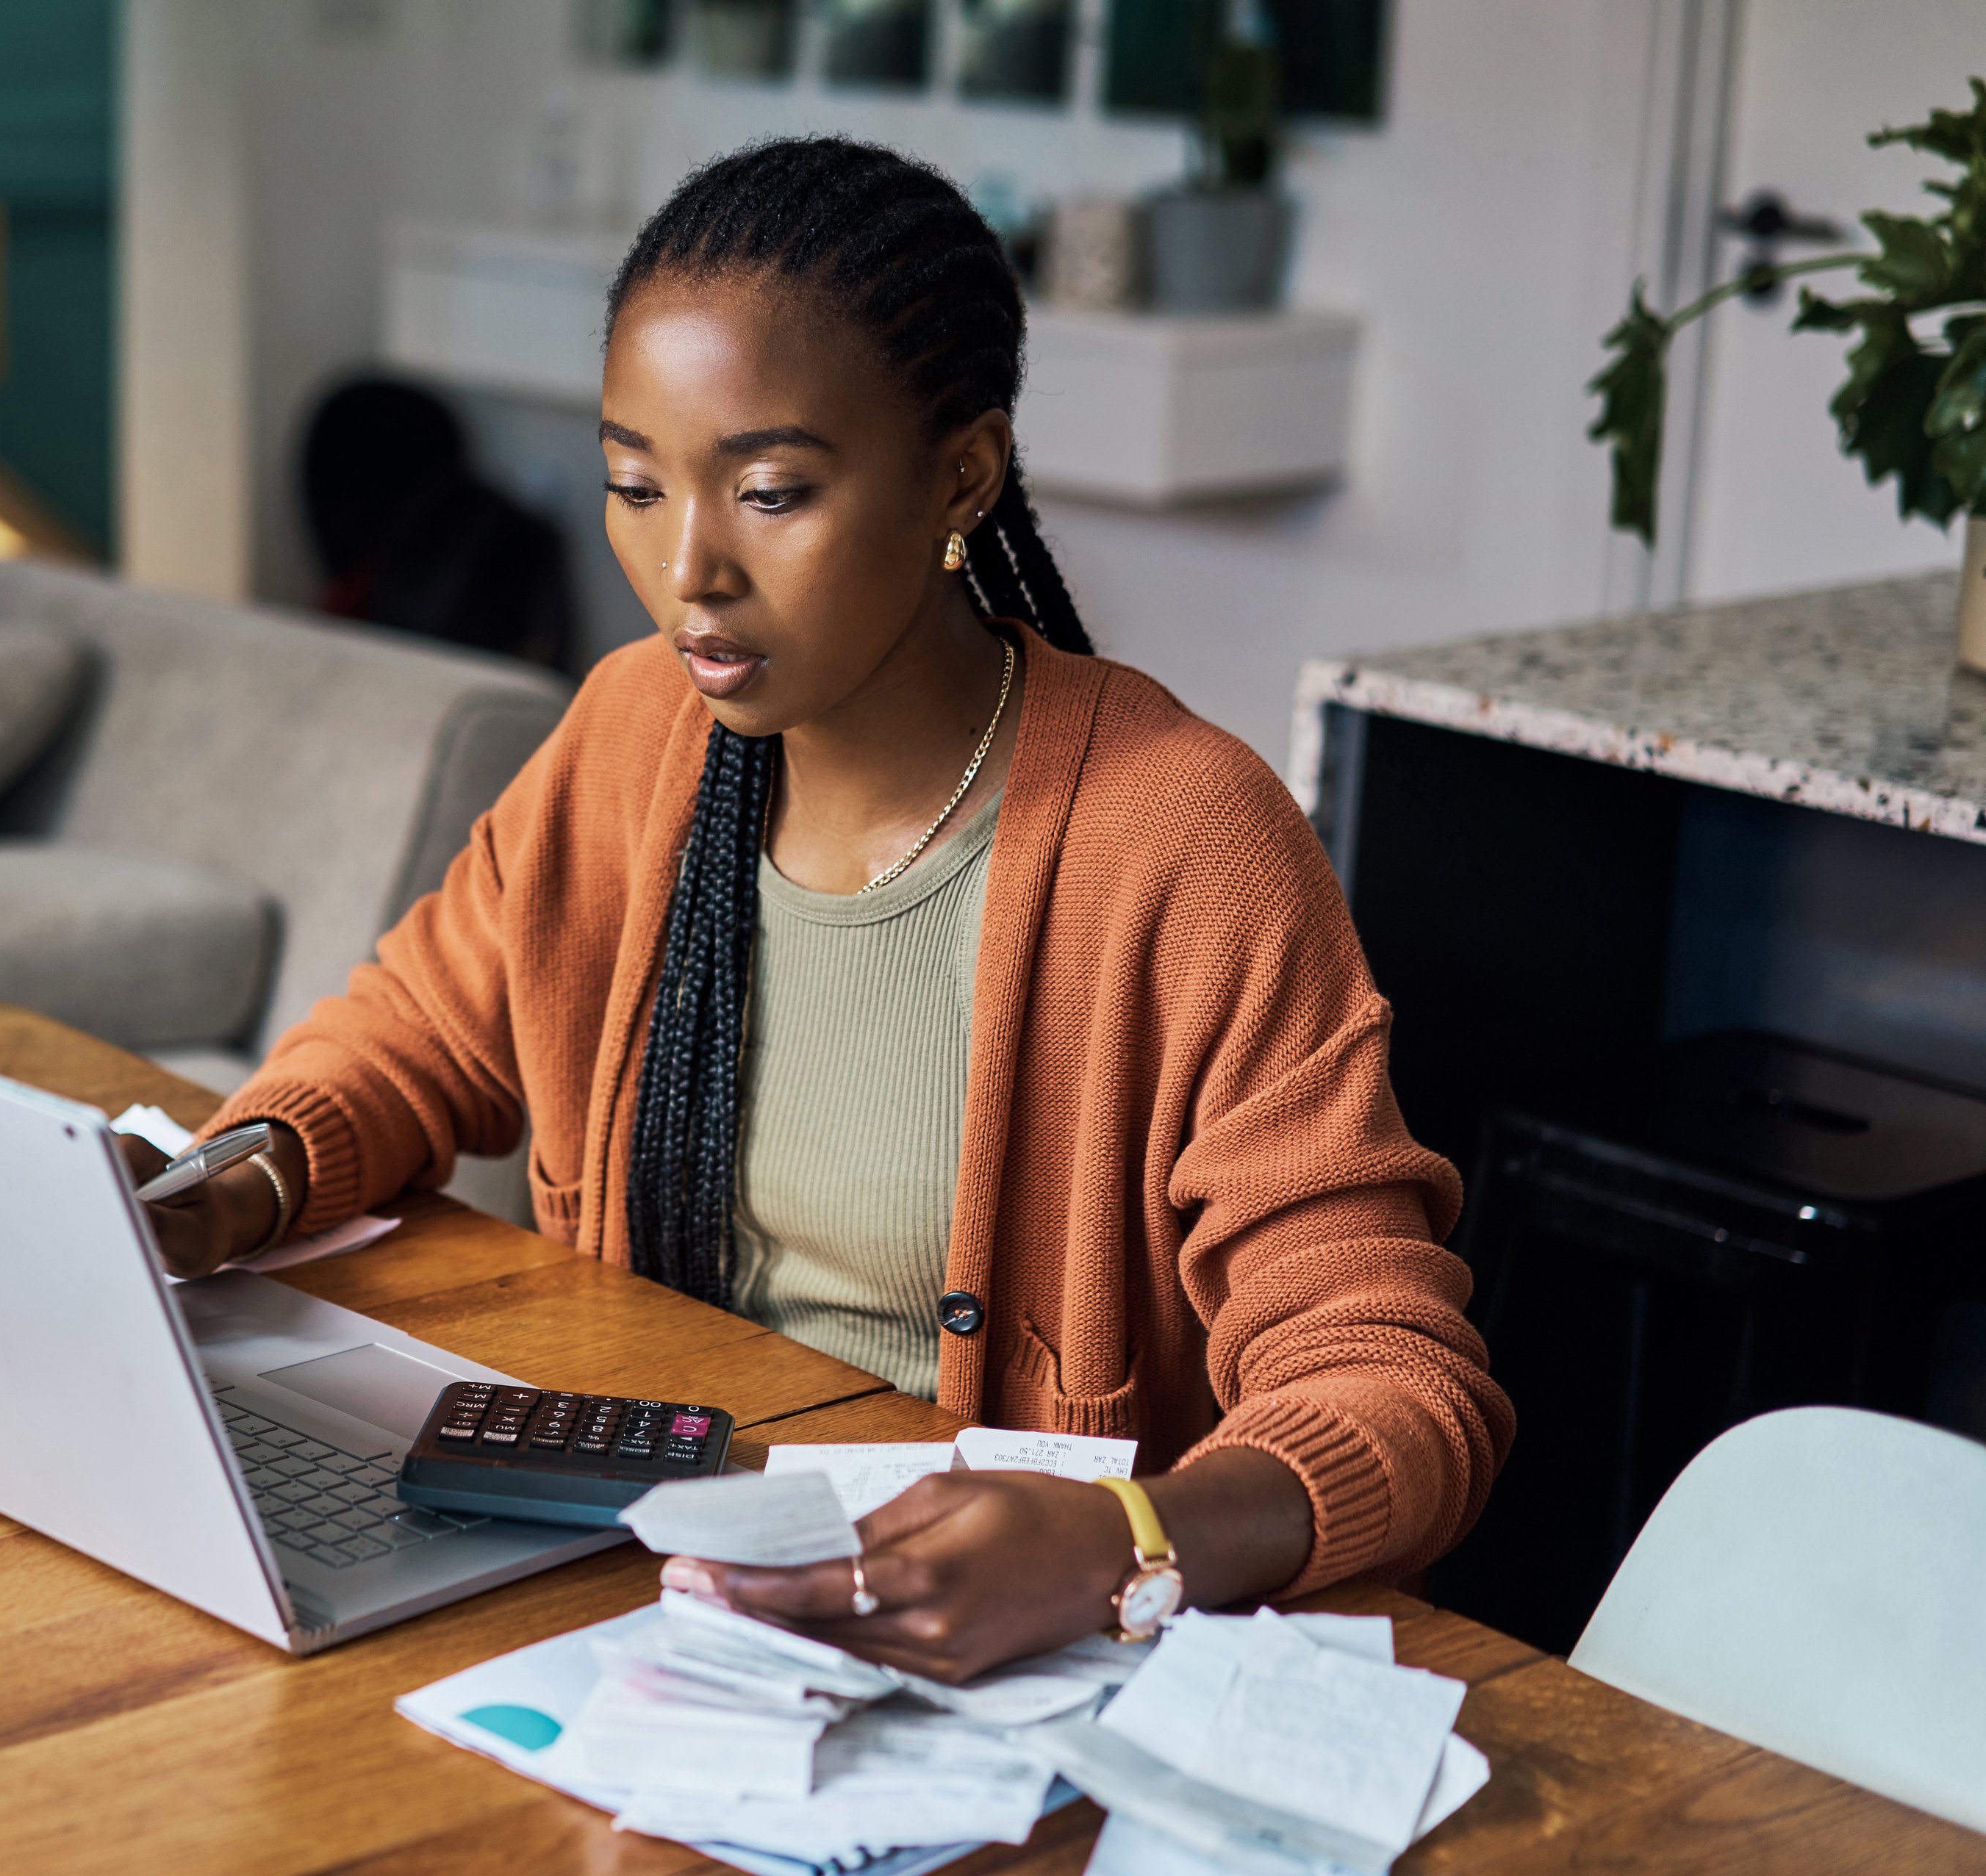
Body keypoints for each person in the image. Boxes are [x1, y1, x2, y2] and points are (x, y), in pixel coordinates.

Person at [130, 137, 1513, 1683]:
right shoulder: (634, 731)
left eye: (772, 490)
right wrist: (226, 1183)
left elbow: (1396, 1381)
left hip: (989, 1652)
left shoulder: (1183, 837)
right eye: (634, 487)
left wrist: (1137, 1532)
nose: (687, 572)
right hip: (646, 1587)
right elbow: (415, 1030)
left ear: (962, 475)